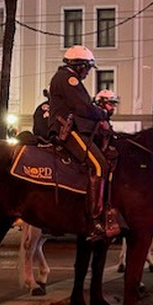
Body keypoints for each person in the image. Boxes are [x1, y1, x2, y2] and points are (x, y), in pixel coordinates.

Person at [47, 45, 120, 241]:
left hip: (74, 128)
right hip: (67, 131)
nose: (88, 72)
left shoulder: (68, 79)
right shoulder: (68, 79)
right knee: (99, 166)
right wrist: (102, 114)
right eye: (87, 68)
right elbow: (83, 107)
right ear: (78, 66)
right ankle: (94, 221)